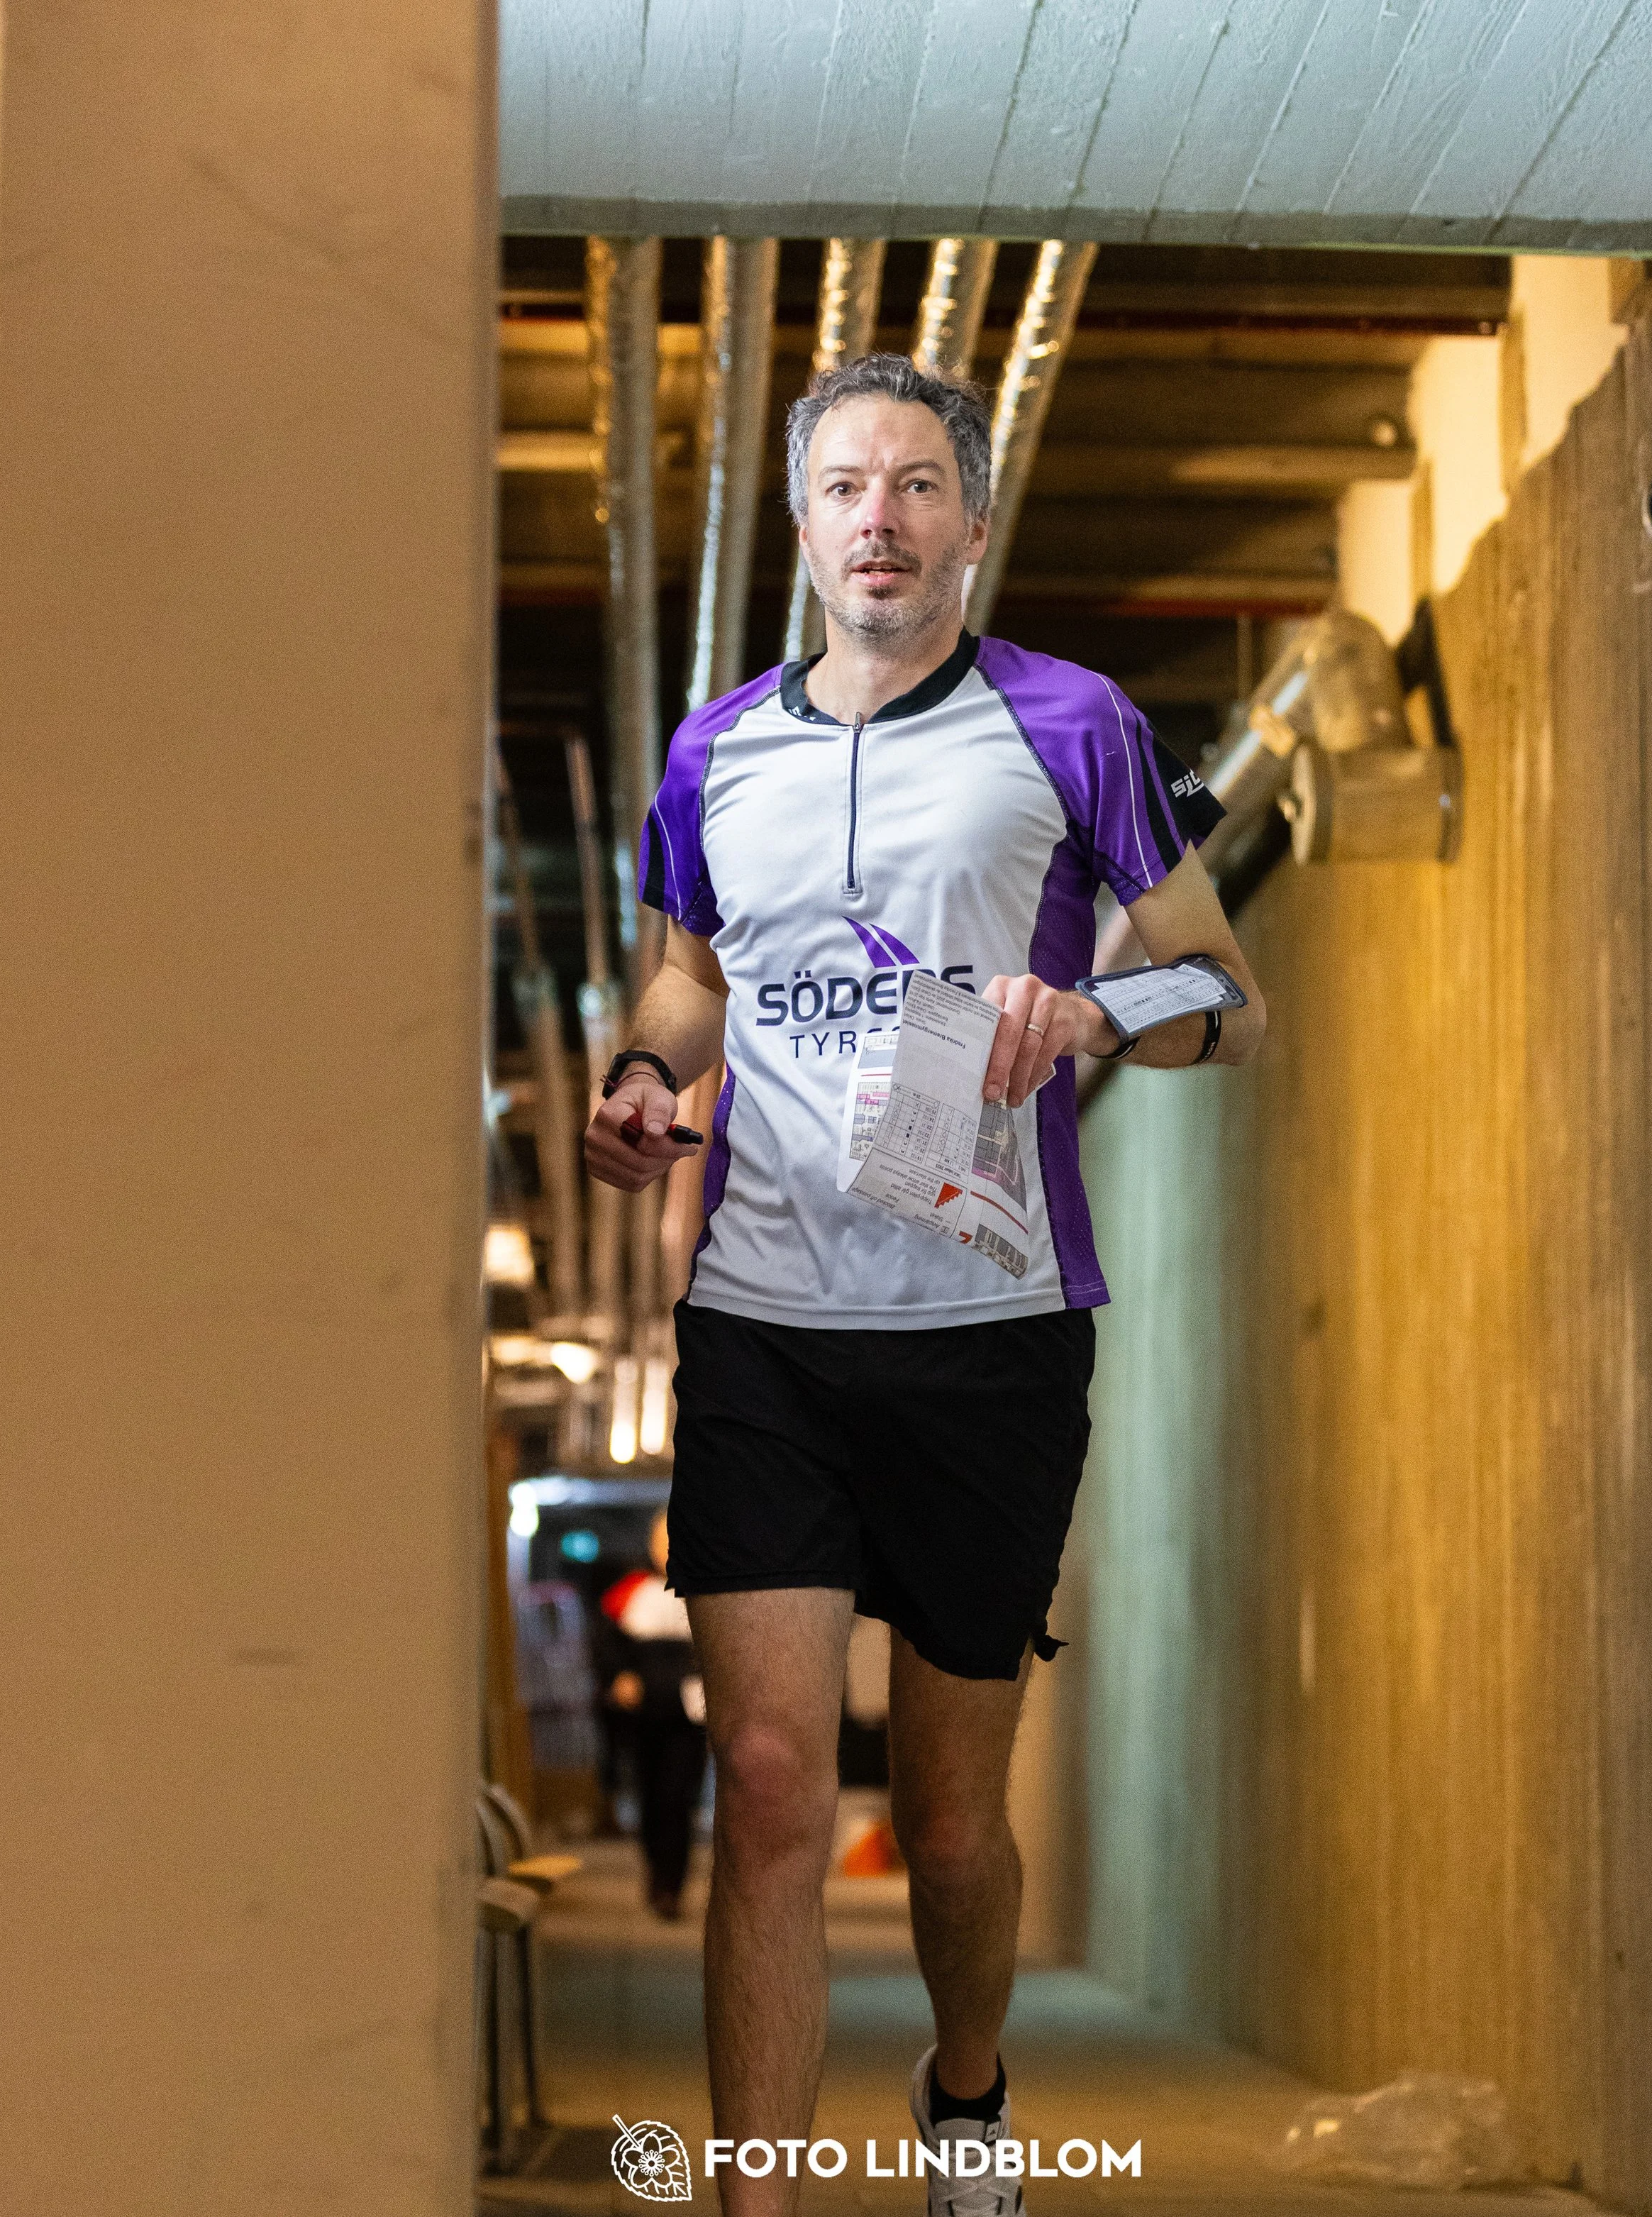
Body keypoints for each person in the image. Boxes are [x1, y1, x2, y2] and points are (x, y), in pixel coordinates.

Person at [584, 353, 1265, 2217]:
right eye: (840, 489)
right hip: (762, 1325)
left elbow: (1219, 995)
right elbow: (677, 981)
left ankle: (964, 2096)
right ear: (800, 530)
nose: (876, 517)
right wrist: (645, 1079)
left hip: (989, 1332)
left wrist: (1089, 1004)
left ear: (971, 520)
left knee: (951, 1823)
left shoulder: (1073, 726)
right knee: (782, 1784)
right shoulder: (711, 752)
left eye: (913, 486)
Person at [599, 1511, 709, 1920]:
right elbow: (607, 1648)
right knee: (649, 1796)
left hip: (688, 1713)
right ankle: (656, 1875)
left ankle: (672, 1886)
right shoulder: (630, 1593)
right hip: (645, 1714)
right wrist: (619, 1677)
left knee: (679, 1798)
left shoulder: (703, 1594)